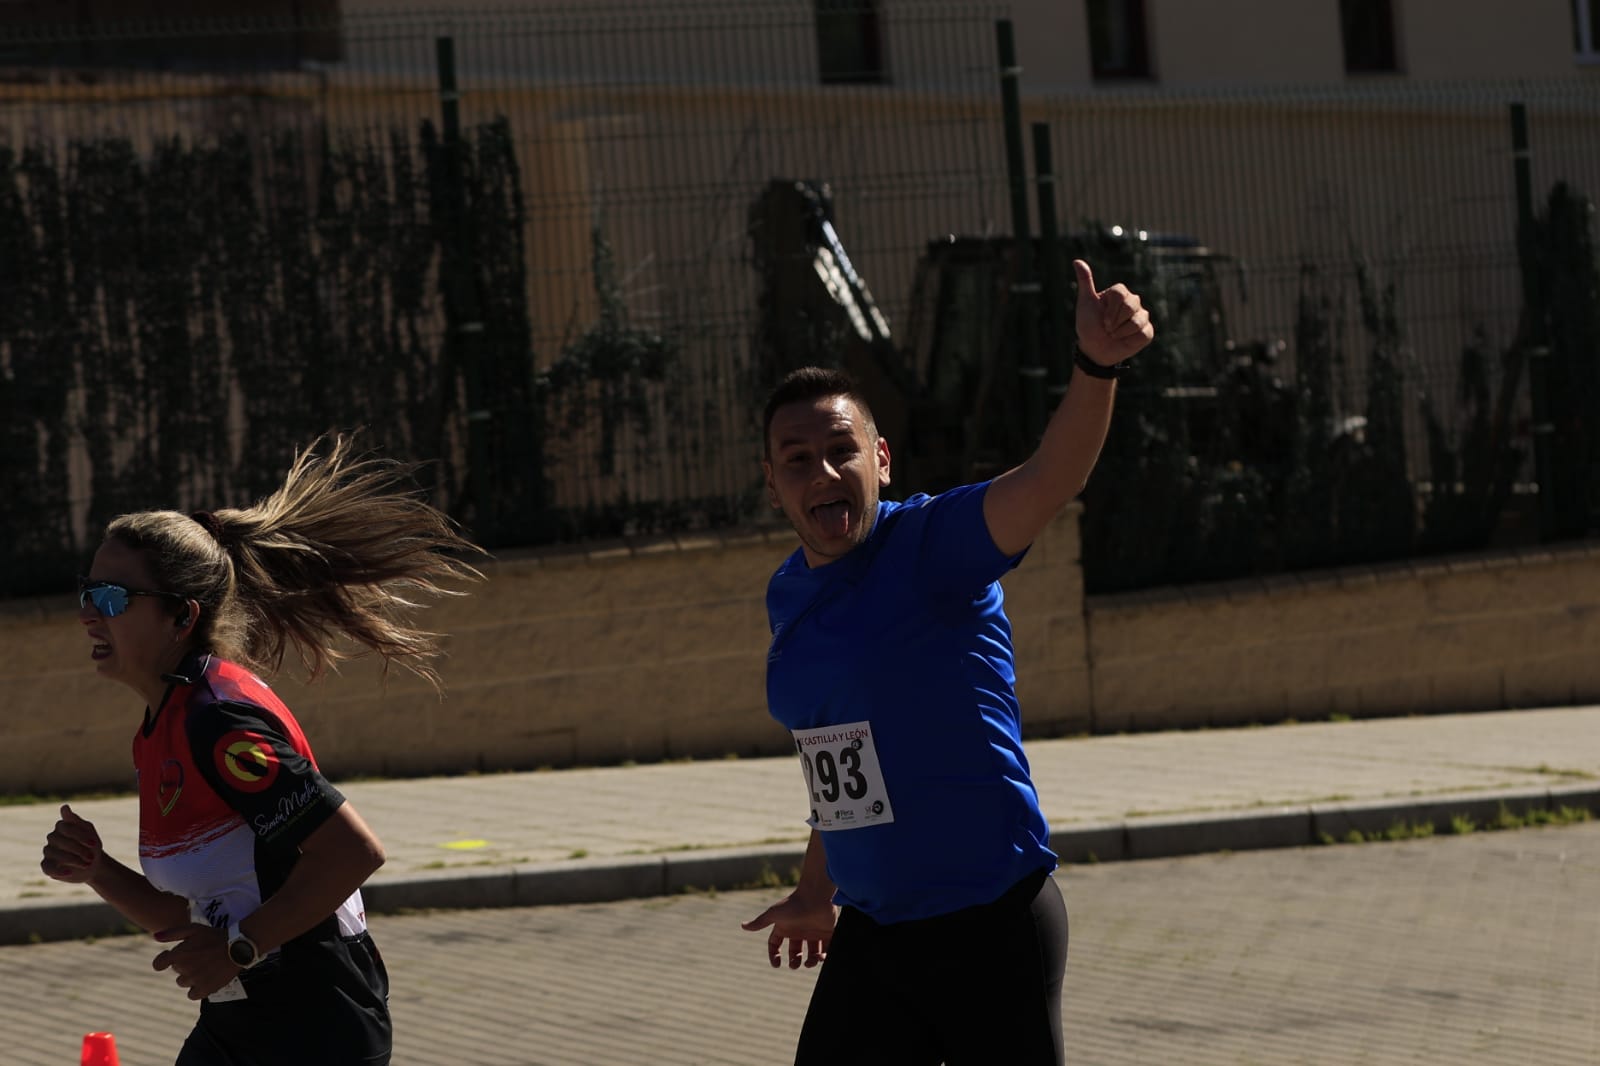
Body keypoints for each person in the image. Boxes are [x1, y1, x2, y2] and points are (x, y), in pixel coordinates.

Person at [740, 259, 1153, 1065]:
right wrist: (816, 891)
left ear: (880, 459)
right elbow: (839, 758)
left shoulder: (934, 548)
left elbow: (1050, 477)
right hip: (878, 935)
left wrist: (1095, 367)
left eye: (840, 450)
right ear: (773, 482)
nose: (821, 472)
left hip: (990, 927)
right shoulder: (790, 592)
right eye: (797, 459)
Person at [40, 435, 483, 1066]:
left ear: (180, 617)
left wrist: (237, 951)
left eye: (112, 599)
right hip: (244, 1018)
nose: (89, 615)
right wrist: (96, 870)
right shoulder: (166, 720)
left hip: (311, 1024)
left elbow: (353, 852)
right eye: (88, 593)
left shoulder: (219, 721)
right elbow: (198, 915)